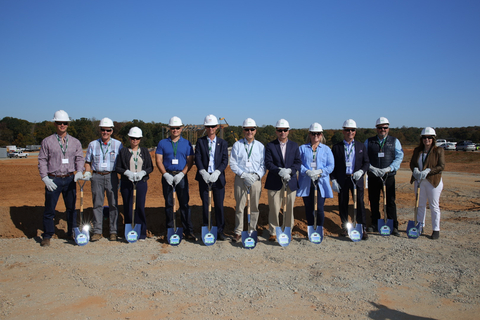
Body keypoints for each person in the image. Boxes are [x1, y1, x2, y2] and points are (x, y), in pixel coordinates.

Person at [37, 110, 85, 247]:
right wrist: (45, 177)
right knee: (50, 209)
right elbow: (42, 160)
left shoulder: (75, 142)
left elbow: (80, 158)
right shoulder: (47, 141)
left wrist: (80, 171)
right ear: (55, 124)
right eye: (59, 123)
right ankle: (47, 235)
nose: (62, 125)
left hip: (70, 179)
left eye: (65, 123)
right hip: (54, 179)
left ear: (68, 124)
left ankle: (71, 232)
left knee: (71, 209)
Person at [155, 117, 196, 241]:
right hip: (167, 176)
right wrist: (165, 174)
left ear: (181, 128)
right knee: (169, 204)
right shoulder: (162, 143)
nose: (175, 130)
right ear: (169, 129)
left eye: (177, 128)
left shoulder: (187, 143)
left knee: (184, 204)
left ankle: (188, 231)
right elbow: (158, 160)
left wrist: (182, 174)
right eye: (173, 128)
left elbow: (190, 161)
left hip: (181, 176)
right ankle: (170, 230)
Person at [83, 118, 123, 241]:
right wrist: (87, 172)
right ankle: (97, 231)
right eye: (103, 130)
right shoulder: (92, 144)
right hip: (97, 176)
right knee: (97, 204)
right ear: (100, 130)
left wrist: (121, 178)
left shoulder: (118, 144)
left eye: (107, 130)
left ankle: (113, 231)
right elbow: (88, 161)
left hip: (112, 176)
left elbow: (122, 163)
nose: (105, 132)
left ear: (111, 131)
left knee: (113, 204)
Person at [330, 119, 370, 240]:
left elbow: (366, 162)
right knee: (343, 203)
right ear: (343, 131)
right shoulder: (336, 147)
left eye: (352, 130)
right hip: (343, 179)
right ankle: (345, 226)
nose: (350, 132)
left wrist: (361, 171)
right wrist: (334, 179)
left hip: (356, 179)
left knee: (359, 203)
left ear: (355, 132)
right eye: (347, 130)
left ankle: (361, 227)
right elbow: (333, 166)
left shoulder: (361, 146)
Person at [365, 117, 404, 236]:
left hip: (388, 176)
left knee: (390, 201)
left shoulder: (394, 141)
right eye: (380, 128)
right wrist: (371, 168)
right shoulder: (369, 141)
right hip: (373, 176)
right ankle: (375, 223)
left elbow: (399, 156)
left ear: (388, 128)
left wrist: (390, 168)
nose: (383, 129)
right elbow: (365, 158)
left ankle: (393, 225)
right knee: (374, 200)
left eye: (385, 127)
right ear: (376, 129)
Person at [264, 119, 301, 241]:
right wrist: (279, 171)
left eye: (285, 130)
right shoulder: (270, 145)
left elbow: (297, 162)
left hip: (290, 181)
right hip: (275, 181)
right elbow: (268, 163)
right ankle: (273, 231)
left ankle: (287, 230)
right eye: (280, 130)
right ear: (276, 131)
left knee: (289, 207)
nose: (282, 132)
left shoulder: (295, 146)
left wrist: (290, 171)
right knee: (274, 208)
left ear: (288, 131)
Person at [229, 118, 266, 242]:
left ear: (255, 130)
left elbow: (263, 165)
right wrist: (244, 174)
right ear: (243, 130)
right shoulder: (237, 145)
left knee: (254, 206)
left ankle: (252, 229)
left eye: (252, 129)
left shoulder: (260, 146)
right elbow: (233, 163)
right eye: (247, 129)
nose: (249, 131)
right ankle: (238, 231)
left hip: (255, 180)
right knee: (240, 206)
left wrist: (256, 176)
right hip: (241, 178)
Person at [195, 115, 229, 241]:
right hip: (204, 178)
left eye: (213, 126)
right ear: (205, 127)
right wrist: (202, 171)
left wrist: (218, 172)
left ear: (217, 127)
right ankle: (207, 228)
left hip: (218, 179)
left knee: (219, 205)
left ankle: (220, 231)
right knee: (205, 204)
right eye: (208, 126)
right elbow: (197, 157)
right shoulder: (201, 141)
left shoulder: (223, 143)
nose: (211, 128)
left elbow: (225, 159)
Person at [116, 127, 154, 241]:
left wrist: (143, 172)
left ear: (140, 139)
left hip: (141, 182)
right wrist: (126, 172)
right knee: (128, 206)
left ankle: (142, 232)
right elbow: (118, 167)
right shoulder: (123, 151)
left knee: (140, 207)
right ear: (129, 138)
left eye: (137, 138)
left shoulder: (144, 151)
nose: (134, 140)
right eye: (132, 138)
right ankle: (129, 231)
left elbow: (150, 167)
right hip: (127, 182)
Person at [297, 123, 334, 234]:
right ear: (310, 134)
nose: (315, 136)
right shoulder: (302, 148)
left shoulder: (326, 149)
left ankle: (319, 227)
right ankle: (310, 227)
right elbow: (298, 163)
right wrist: (306, 171)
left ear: (321, 135)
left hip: (321, 182)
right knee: (308, 207)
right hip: (306, 182)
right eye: (313, 133)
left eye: (318, 133)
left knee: (319, 208)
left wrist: (320, 172)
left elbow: (331, 166)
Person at [409, 127, 445, 240]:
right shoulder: (417, 150)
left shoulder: (438, 150)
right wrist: (414, 169)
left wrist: (429, 171)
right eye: (424, 137)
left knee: (434, 206)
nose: (427, 140)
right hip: (419, 181)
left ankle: (436, 229)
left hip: (433, 181)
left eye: (429, 137)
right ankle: (420, 226)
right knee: (420, 205)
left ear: (433, 139)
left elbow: (441, 166)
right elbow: (412, 163)